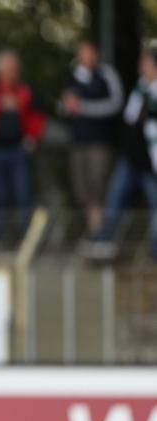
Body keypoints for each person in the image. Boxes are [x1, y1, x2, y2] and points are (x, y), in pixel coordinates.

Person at [85, 45, 157, 261]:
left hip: (151, 162)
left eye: (144, 63)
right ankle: (103, 242)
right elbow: (131, 117)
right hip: (132, 157)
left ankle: (155, 251)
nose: (139, 68)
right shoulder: (140, 88)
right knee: (115, 199)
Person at [0, 49, 46, 243]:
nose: (13, 72)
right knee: (0, 195)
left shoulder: (25, 91)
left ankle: (25, 238)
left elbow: (37, 116)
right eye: (9, 68)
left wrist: (31, 137)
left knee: (23, 193)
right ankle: (1, 236)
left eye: (15, 68)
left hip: (19, 149)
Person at [59, 41, 124, 237]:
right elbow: (62, 107)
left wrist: (84, 108)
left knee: (99, 188)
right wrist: (67, 108)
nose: (84, 56)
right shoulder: (71, 78)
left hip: (100, 142)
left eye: (88, 52)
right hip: (78, 141)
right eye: (81, 53)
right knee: (83, 191)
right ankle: (94, 231)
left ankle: (103, 234)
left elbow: (116, 104)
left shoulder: (106, 75)